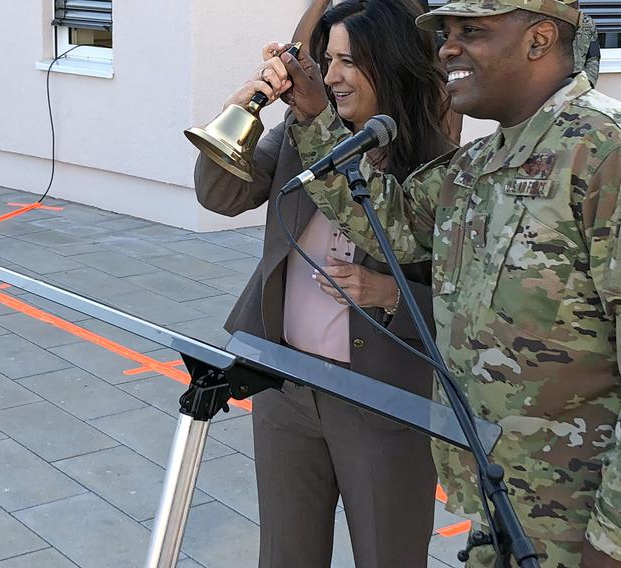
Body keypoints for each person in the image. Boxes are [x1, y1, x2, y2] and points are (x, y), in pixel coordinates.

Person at [273, 0, 621, 566]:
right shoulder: (477, 167)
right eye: (445, 32)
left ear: (540, 39)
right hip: (503, 509)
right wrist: (317, 118)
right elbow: (387, 224)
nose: (446, 48)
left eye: (473, 31)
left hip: (588, 528)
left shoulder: (618, 154)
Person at [193, 1, 453, 567]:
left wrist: (390, 295)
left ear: (390, 64)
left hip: (382, 400)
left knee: (389, 554)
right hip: (286, 386)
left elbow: (474, 304)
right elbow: (221, 195)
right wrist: (240, 111)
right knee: (286, 555)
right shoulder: (295, 136)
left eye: (350, 62)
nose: (332, 76)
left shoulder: (437, 163)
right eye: (327, 59)